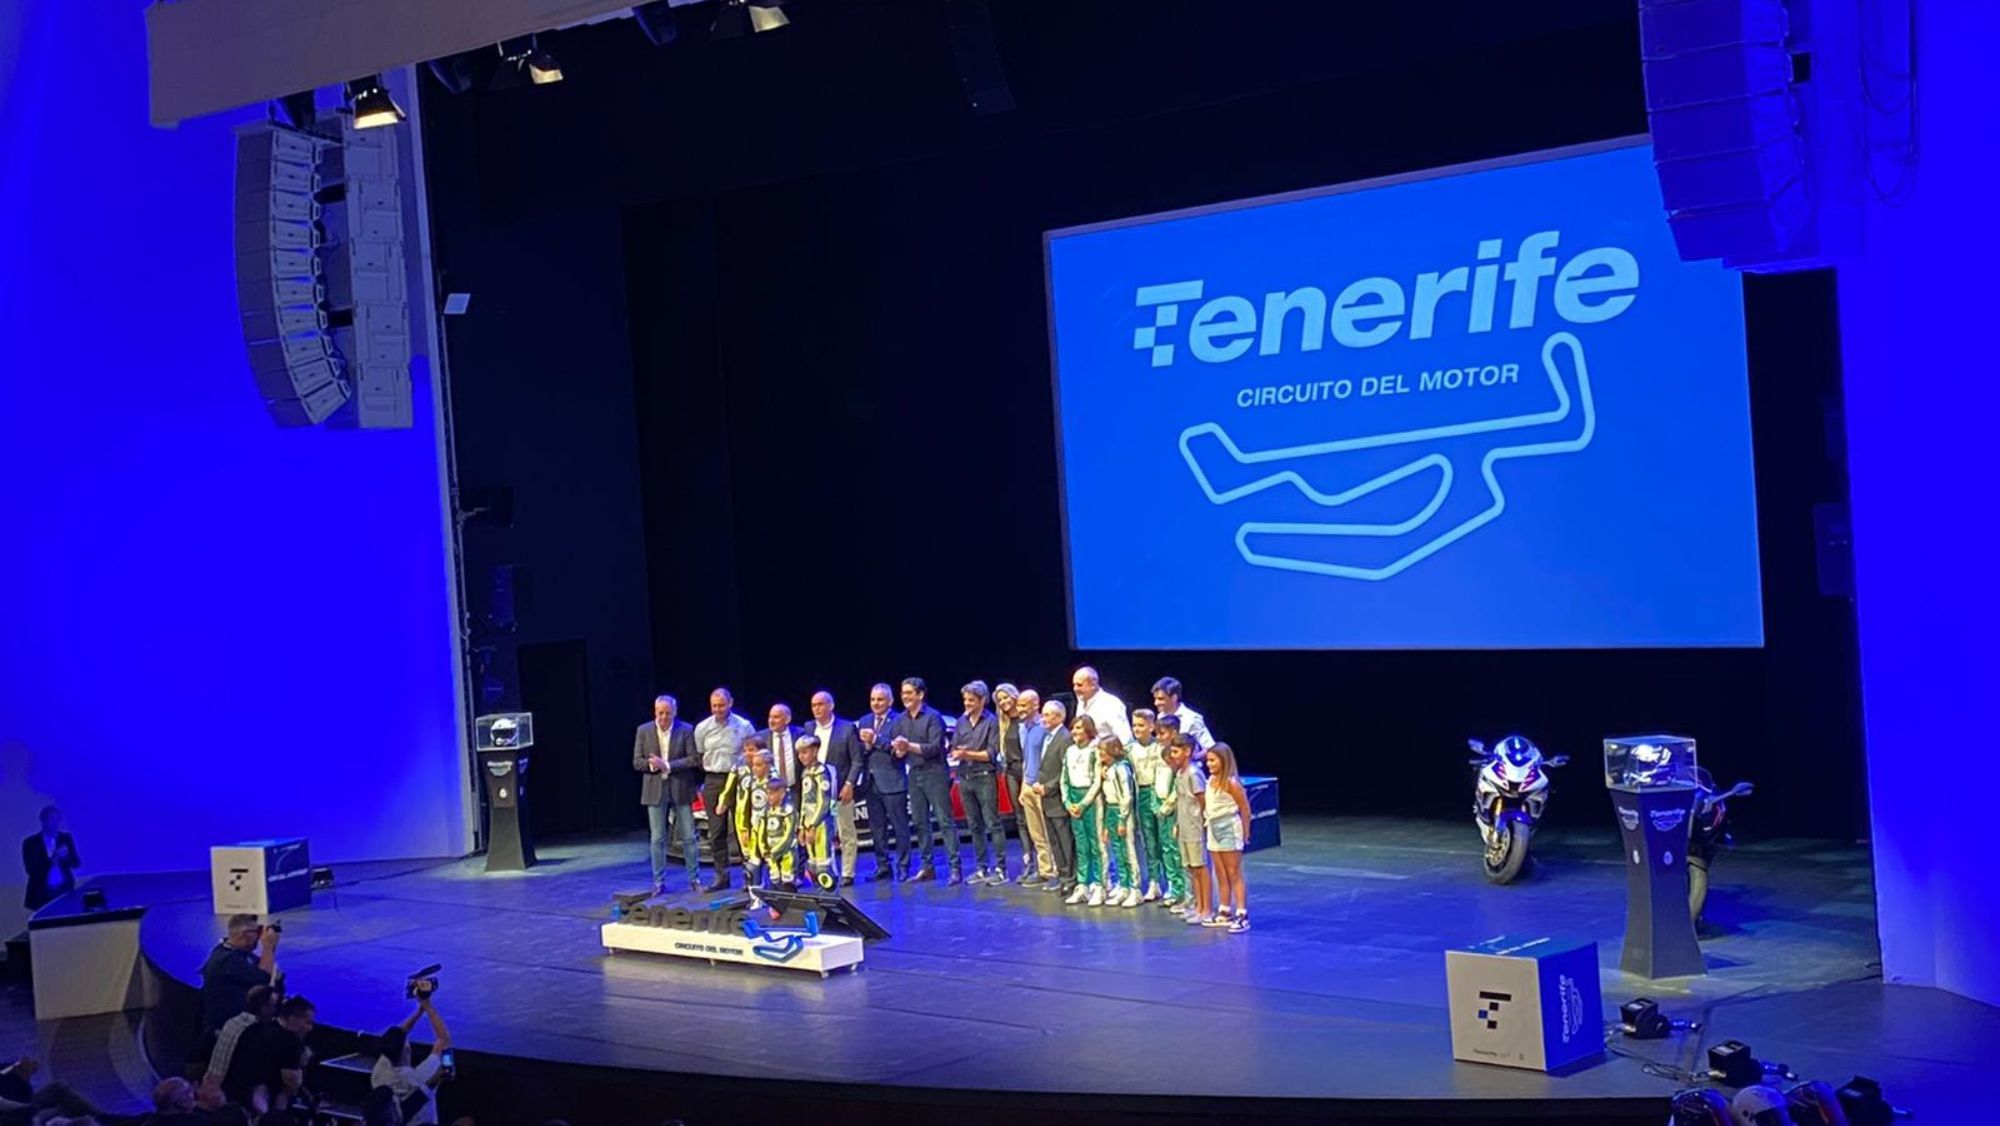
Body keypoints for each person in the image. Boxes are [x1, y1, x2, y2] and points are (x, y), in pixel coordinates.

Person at [633, 695, 701, 895]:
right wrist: (652, 765)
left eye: (667, 713)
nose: (663, 717)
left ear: (674, 712)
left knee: (689, 836)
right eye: (660, 713)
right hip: (655, 790)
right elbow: (637, 761)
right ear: (655, 712)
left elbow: (693, 759)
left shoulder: (686, 730)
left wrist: (668, 766)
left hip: (681, 787)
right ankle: (658, 881)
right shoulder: (643, 731)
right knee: (657, 838)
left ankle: (694, 879)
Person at [889, 678, 953, 884]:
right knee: (920, 822)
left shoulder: (933, 717)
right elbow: (897, 751)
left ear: (920, 695)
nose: (905, 697)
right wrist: (899, 750)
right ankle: (927, 867)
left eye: (909, 693)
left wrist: (908, 746)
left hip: (935, 773)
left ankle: (955, 867)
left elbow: (935, 748)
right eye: (903, 693)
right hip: (914, 773)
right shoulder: (900, 720)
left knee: (944, 820)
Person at [693, 688, 755, 891]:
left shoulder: (743, 725)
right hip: (712, 780)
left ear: (730, 703)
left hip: (737, 779)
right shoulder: (702, 728)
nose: (717, 709)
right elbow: (700, 755)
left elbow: (754, 753)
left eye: (721, 705)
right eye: (714, 706)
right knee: (716, 830)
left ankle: (750, 876)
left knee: (742, 829)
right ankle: (722, 877)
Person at [806, 691, 865, 886]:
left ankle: (848, 872)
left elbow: (857, 760)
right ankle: (824, 871)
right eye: (814, 705)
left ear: (831, 706)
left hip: (839, 791)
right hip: (815, 795)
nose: (817, 708)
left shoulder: (847, 728)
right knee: (821, 834)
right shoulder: (808, 728)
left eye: (821, 704)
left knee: (845, 832)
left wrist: (849, 784)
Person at [950, 681, 1004, 884]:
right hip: (965, 777)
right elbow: (955, 746)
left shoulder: (991, 721)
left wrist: (966, 753)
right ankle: (982, 867)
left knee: (992, 823)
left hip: (984, 776)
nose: (967, 703)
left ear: (982, 701)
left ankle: (1000, 869)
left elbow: (990, 754)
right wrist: (958, 752)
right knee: (974, 826)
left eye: (971, 700)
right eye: (965, 699)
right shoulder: (961, 722)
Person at [856, 684, 912, 882]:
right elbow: (859, 751)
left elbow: (899, 752)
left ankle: (903, 866)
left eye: (880, 699)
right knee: (877, 828)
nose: (876, 703)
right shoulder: (864, 720)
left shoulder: (899, 720)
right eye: (873, 699)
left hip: (892, 780)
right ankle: (883, 866)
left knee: (900, 826)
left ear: (890, 701)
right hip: (871, 783)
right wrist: (864, 746)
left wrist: (876, 739)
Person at [223, 994, 315, 1113]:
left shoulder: (255, 1029)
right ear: (292, 1018)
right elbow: (292, 1081)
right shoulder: (290, 1043)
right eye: (307, 1023)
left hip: (235, 1094)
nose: (310, 1028)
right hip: (262, 1102)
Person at [371, 993, 451, 1126]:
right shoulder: (421, 1077)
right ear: (407, 1050)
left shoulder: (379, 1072)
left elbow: (398, 1036)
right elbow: (444, 1040)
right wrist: (427, 1005)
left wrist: (420, 1011)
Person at [1203, 742, 1253, 933]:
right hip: (1213, 827)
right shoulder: (1210, 781)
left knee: (1234, 872)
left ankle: (1242, 913)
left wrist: (1246, 832)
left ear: (1223, 760)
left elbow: (1245, 809)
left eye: (1212, 760)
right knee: (1220, 872)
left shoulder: (1231, 783)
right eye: (1208, 760)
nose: (1209, 764)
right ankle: (1225, 911)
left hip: (1229, 828)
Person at [201, 915, 282, 1031]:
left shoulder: (234, 952)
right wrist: (268, 947)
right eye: (257, 931)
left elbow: (266, 969)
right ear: (244, 934)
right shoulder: (227, 960)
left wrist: (271, 947)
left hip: (242, 1022)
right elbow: (264, 982)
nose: (260, 936)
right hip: (228, 1028)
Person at [1030, 700, 1074, 895]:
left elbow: (1066, 770)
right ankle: (1062, 875)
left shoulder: (1065, 738)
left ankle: (1071, 878)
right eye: (1044, 715)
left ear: (1060, 717)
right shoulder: (1048, 737)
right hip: (1046, 799)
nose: (1043, 719)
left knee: (1065, 840)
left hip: (1057, 798)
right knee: (1054, 840)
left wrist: (1048, 787)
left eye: (1048, 715)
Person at [1127, 709, 1172, 902]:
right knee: (1149, 841)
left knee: (1164, 839)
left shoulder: (1159, 747)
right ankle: (1154, 882)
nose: (1137, 729)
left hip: (1159, 793)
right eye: (1135, 725)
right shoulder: (1129, 749)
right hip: (1141, 795)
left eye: (1141, 725)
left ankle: (1172, 882)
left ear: (1152, 726)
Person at [1061, 715, 1105, 907]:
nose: (1075, 732)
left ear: (1088, 730)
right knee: (1081, 844)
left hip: (1091, 801)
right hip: (1074, 799)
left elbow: (1097, 780)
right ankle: (1082, 884)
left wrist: (1084, 803)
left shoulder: (1094, 751)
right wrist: (1068, 802)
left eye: (1079, 728)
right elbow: (1064, 778)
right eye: (1073, 728)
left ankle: (1099, 884)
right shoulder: (1069, 751)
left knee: (1095, 843)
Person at [1095, 734, 1141, 908]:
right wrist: (1108, 824)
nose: (1100, 755)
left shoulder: (1122, 769)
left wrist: (1122, 820)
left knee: (1129, 851)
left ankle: (1135, 889)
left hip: (1124, 813)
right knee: (1117, 851)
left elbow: (1127, 796)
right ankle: (1123, 886)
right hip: (1112, 811)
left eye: (1103, 751)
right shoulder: (1109, 769)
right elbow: (1108, 798)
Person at [204, 984, 276, 1096]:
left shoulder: (232, 1021)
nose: (275, 1011)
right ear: (263, 1008)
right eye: (273, 1006)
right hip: (224, 1094)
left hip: (210, 1085)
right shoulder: (254, 1032)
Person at [1167, 735, 1210, 923]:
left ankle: (1206, 908)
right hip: (1184, 827)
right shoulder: (1180, 774)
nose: (1173, 755)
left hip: (1195, 828)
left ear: (1187, 752)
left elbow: (1202, 801)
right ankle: (1197, 906)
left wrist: (1205, 823)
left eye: (1176, 751)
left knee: (1200, 868)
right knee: (1191, 869)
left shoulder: (1194, 773)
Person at [1012, 688, 1052, 886]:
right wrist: (1023, 787)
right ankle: (1044, 870)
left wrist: (1043, 783)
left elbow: (1048, 758)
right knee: (1036, 832)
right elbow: (1026, 758)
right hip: (1028, 785)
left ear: (1035, 705)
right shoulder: (1022, 728)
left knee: (1048, 830)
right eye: (1018, 705)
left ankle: (1055, 870)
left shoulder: (1044, 726)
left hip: (1042, 786)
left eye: (1023, 705)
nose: (1020, 709)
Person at [720, 745, 774, 887]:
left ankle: (776, 891)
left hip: (770, 825)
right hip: (747, 820)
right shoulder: (740, 768)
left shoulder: (774, 779)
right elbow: (729, 787)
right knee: (751, 860)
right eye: (745, 750)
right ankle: (753, 890)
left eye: (752, 750)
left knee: (771, 859)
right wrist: (723, 802)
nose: (748, 754)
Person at [1149, 730, 1189, 910]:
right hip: (1161, 808)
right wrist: (1155, 805)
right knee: (1166, 849)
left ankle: (1185, 891)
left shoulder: (1183, 772)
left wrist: (1167, 807)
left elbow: (1176, 790)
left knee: (1176, 851)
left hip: (1174, 812)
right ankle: (1174, 888)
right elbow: (1154, 782)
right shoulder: (1160, 756)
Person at [793, 735, 839, 889]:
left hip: (822, 824)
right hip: (808, 824)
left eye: (804, 752)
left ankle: (830, 894)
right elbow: (805, 802)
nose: (801, 756)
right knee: (812, 863)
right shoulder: (805, 772)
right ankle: (819, 894)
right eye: (799, 753)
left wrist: (813, 826)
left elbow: (824, 801)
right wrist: (801, 827)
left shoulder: (822, 772)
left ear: (815, 751)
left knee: (823, 864)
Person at [21, 806, 80, 910]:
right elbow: (30, 869)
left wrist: (66, 857)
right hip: (41, 893)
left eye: (56, 819)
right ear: (42, 820)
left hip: (64, 890)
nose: (53, 823)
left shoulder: (65, 838)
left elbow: (76, 863)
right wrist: (53, 859)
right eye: (50, 819)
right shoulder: (30, 843)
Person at [756, 777, 799, 890]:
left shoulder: (788, 811)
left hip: (786, 852)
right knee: (774, 882)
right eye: (768, 793)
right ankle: (775, 906)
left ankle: (790, 903)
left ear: (781, 793)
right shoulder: (766, 812)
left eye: (772, 794)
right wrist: (763, 849)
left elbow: (789, 834)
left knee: (788, 883)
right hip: (771, 854)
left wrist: (776, 851)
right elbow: (761, 832)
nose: (769, 797)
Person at [1151, 676, 1215, 751]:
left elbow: (1210, 747)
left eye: (1160, 699)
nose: (1156, 703)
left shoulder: (1192, 718)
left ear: (1174, 698)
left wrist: (1192, 758)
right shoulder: (1160, 716)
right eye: (1155, 699)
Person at [1070, 666, 1131, 744]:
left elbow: (1125, 738)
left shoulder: (1111, 704)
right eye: (1074, 685)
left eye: (1079, 685)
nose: (1075, 689)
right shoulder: (1081, 702)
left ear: (1093, 684)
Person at [762, 703, 805, 787]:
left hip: (796, 788)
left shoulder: (800, 734)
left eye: (776, 717)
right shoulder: (762, 737)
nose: (771, 721)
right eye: (770, 717)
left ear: (787, 719)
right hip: (771, 789)